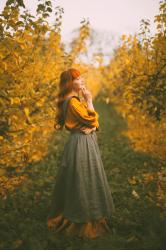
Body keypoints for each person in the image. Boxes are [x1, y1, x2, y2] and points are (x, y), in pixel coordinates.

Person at [47, 68, 115, 239]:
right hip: (80, 143)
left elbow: (93, 122)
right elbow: (92, 118)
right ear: (70, 82)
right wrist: (90, 101)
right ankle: (80, 219)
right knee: (82, 177)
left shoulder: (75, 101)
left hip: (83, 141)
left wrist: (92, 125)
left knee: (85, 176)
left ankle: (86, 212)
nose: (83, 80)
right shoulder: (72, 102)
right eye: (79, 78)